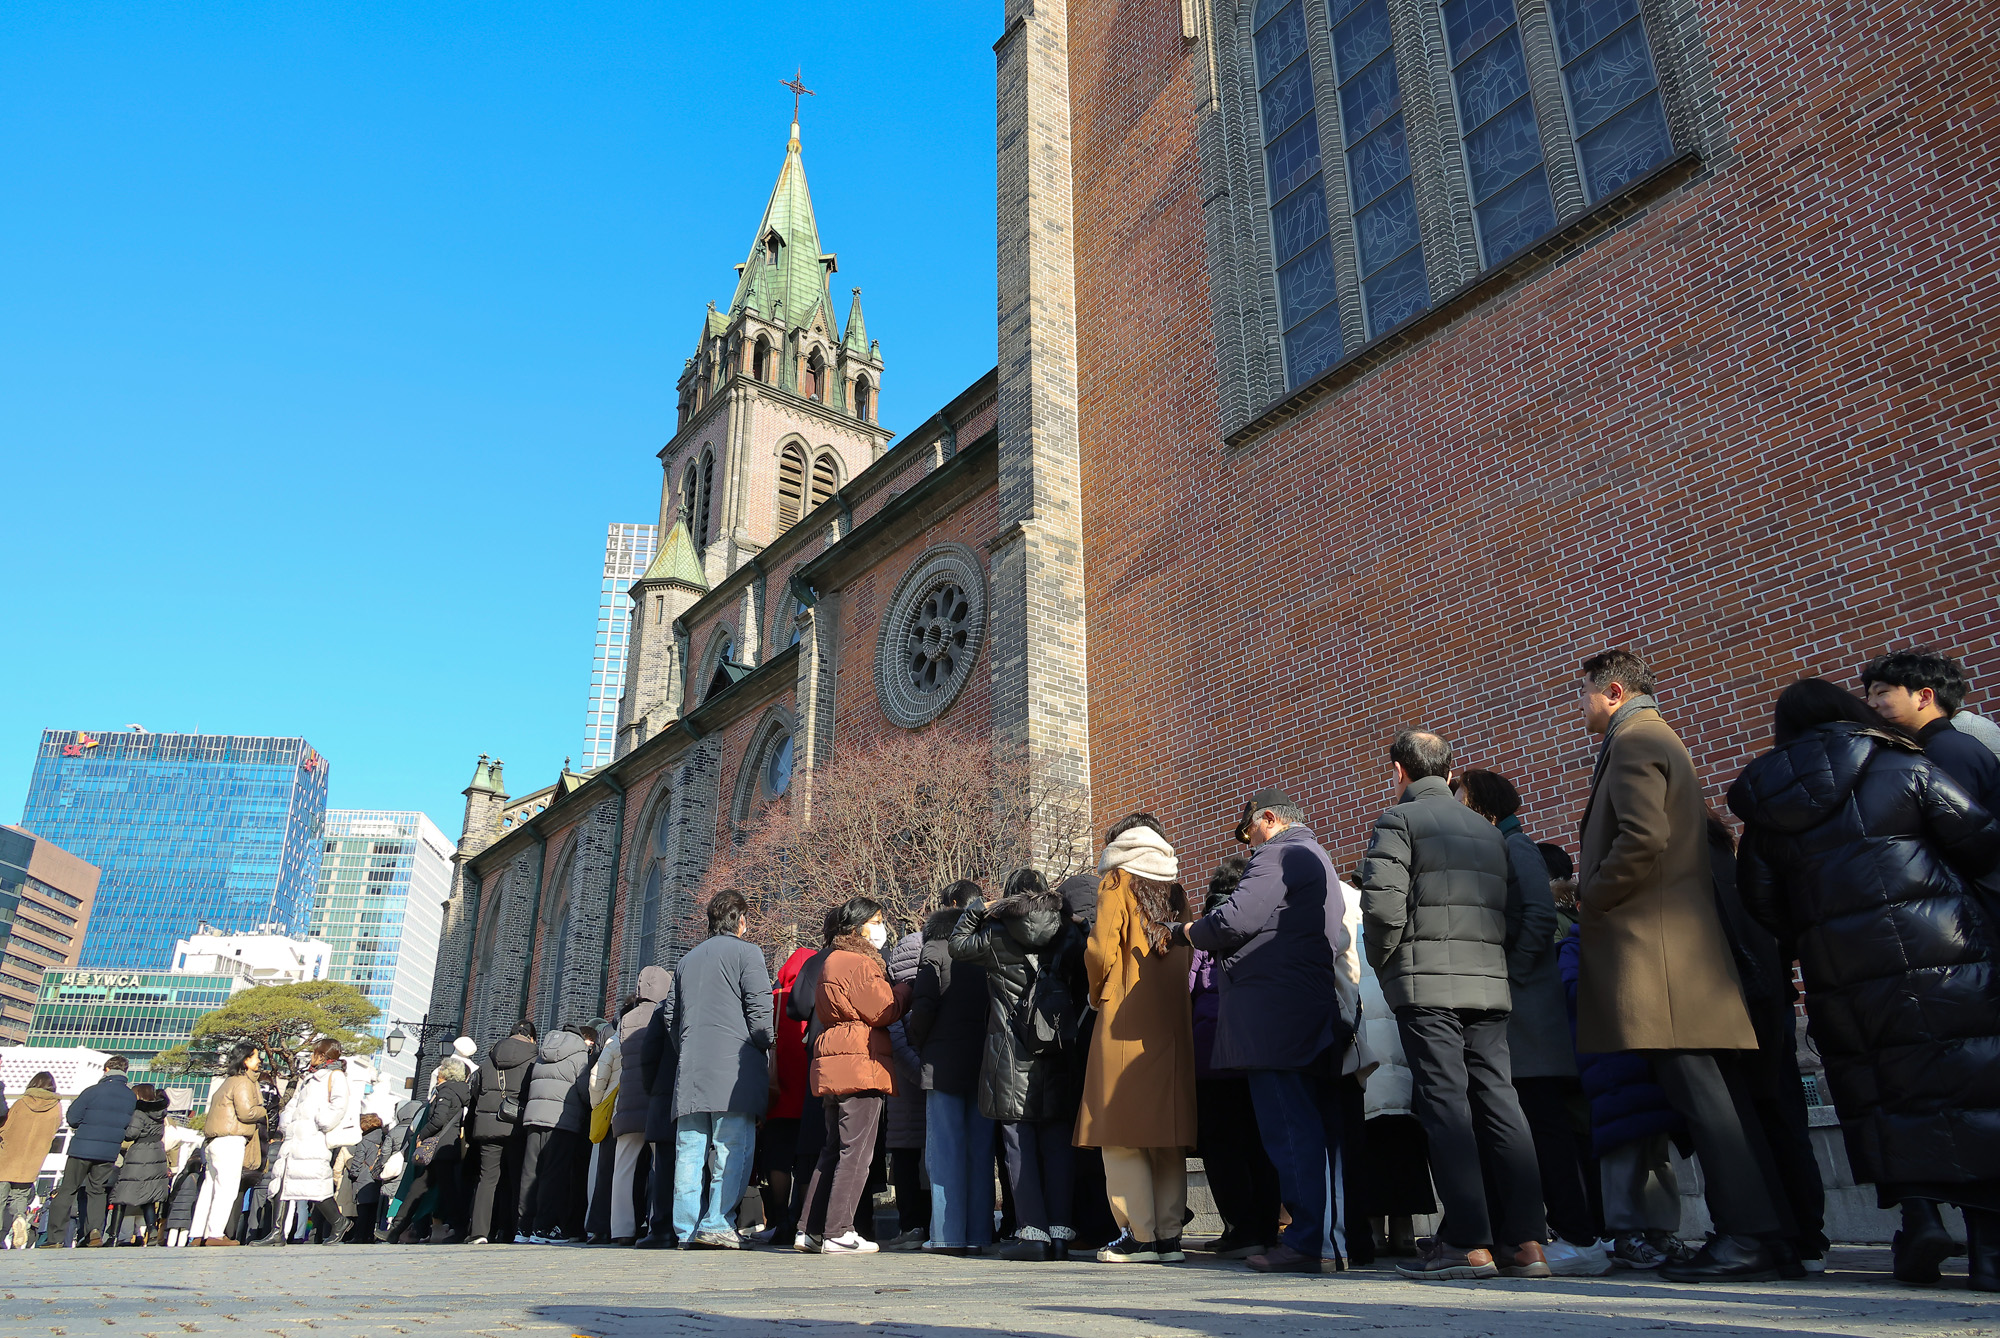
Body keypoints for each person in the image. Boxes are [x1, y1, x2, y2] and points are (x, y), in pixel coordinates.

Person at [1729, 676, 2000, 1293]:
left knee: (1883, 1090)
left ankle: (1919, 1216)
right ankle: (1988, 1249)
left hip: (1841, 968)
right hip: (1946, 950)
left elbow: (1762, 901)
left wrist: (1815, 931)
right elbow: (1980, 837)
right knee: (1969, 1083)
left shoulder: (1771, 799)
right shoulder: (1901, 762)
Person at [1575, 649, 1780, 1283]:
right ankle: (1755, 1233)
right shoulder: (1652, 736)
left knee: (1704, 1102)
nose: (1579, 706)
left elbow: (1642, 837)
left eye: (1584, 693)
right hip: (1673, 951)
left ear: (1612, 691)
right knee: (1710, 1101)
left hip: (1659, 955)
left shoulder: (1635, 739)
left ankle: (1747, 1236)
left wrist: (1592, 894)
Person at [1357, 736, 1545, 1282]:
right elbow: (1514, 909)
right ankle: (1526, 1240)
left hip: (1426, 986)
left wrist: (1385, 963)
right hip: (1487, 985)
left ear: (1399, 770)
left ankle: (1467, 1238)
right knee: (1500, 1103)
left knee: (1445, 1106)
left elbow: (1383, 905)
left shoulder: (1399, 819)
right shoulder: (1489, 831)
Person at [1174, 789, 1346, 1273]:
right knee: (1316, 1130)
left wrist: (1187, 931)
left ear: (1268, 818)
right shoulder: (1320, 858)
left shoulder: (1278, 854)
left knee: (1289, 1128)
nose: (1248, 843)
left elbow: (1233, 920)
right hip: (1307, 1008)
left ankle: (1307, 1243)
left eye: (1249, 830)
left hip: (1274, 1017)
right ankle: (1329, 1242)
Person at [1455, 767, 1607, 1276]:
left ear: (1484, 808)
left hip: (1530, 1017)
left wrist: (1509, 975)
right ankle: (1542, 1234)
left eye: (1461, 800)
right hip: (1523, 1016)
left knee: (1545, 1129)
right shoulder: (1503, 845)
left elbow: (1540, 918)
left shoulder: (1514, 846)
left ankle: (1578, 1236)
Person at [1707, 811, 1827, 1272]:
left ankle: (1777, 1235)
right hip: (1769, 998)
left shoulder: (1696, 862)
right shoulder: (1731, 855)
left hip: (1736, 1001)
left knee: (1751, 1123)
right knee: (1785, 1119)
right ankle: (1808, 1236)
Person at [1073, 815, 1196, 1264]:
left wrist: (1096, 992)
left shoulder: (1116, 880)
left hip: (1123, 1012)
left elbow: (1100, 949)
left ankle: (1138, 1235)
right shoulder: (1177, 890)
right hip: (1170, 1016)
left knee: (1119, 1129)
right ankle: (1168, 1237)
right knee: (1166, 1131)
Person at [950, 867, 1084, 1261]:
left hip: (1010, 1053)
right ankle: (1060, 1233)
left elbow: (957, 944)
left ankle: (1033, 1234)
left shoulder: (995, 935)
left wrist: (978, 907)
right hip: (1058, 1048)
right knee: (1058, 1143)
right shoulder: (1067, 933)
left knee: (1018, 1144)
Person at [1557, 918, 1684, 1268]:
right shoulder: (1576, 946)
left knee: (1657, 1157)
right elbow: (1572, 989)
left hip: (1646, 1061)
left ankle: (1662, 1231)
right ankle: (1625, 1233)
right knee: (1622, 1155)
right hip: (1610, 1064)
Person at [797, 897, 913, 1255]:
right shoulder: (859, 962)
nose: (881, 927)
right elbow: (883, 1009)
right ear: (859, 925)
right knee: (856, 1151)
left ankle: (810, 1229)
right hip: (860, 1060)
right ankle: (839, 1230)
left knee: (832, 1149)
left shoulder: (832, 960)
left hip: (835, 1057)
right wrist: (907, 988)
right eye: (877, 920)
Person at [671, 889, 774, 1249]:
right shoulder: (748, 953)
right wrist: (764, 1048)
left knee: (689, 1150)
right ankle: (716, 1221)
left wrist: (685, 1049)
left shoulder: (686, 961)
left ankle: (685, 1229)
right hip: (734, 1067)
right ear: (741, 920)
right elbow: (761, 1011)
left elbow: (673, 1018)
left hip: (691, 1068)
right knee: (731, 1147)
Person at [908, 880, 994, 1257]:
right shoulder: (987, 951)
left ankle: (947, 1233)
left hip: (942, 1063)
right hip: (984, 1062)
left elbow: (923, 1004)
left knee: (944, 1150)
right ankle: (980, 1232)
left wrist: (918, 1040)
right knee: (980, 1151)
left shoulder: (935, 948)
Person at [1861, 647, 2000, 812]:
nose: (1871, 704)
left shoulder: (1948, 749)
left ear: (1924, 697)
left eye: (1881, 692)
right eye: (1868, 696)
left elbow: (1954, 824)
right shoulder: (1938, 746)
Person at [602, 968, 671, 1246]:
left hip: (627, 1103)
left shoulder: (625, 1019)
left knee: (624, 1168)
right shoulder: (665, 1014)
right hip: (654, 1099)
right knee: (660, 1166)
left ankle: (621, 1228)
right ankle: (657, 1221)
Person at [260, 1038, 351, 1245]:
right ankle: (277, 1232)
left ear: (322, 1054)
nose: (311, 1056)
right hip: (295, 1137)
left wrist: (321, 1122)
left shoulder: (335, 1076)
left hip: (313, 1138)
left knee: (315, 1185)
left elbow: (340, 1104)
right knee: (281, 1183)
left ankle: (338, 1222)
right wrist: (287, 1122)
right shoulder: (308, 1078)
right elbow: (293, 1103)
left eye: (314, 1052)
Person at [42, 1054, 137, 1247]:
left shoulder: (93, 1091)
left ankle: (55, 1238)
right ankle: (94, 1230)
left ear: (106, 1070)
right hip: (108, 1151)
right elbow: (130, 1129)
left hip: (82, 1148)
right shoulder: (130, 1096)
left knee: (68, 1190)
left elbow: (73, 1118)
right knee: (98, 1191)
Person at [760, 942, 816, 1247]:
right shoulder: (812, 996)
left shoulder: (773, 999)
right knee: (806, 1159)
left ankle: (780, 1219)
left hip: (778, 1092)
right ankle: (801, 1222)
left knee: (778, 1159)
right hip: (808, 1092)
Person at [516, 1025, 593, 1244]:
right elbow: (584, 1091)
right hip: (562, 1121)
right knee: (554, 1174)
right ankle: (544, 1227)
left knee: (530, 1172)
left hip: (533, 1118)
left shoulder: (542, 1054)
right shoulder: (579, 1056)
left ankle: (523, 1227)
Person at [387, 1056, 473, 1243]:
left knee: (443, 1190)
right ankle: (396, 1228)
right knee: (421, 1187)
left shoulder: (447, 1091)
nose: (438, 1072)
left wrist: (422, 1135)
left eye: (441, 1069)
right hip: (445, 1149)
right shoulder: (459, 1092)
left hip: (439, 1149)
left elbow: (439, 1119)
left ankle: (459, 1228)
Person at [465, 1019, 535, 1245]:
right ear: (532, 1038)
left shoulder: (488, 1059)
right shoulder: (533, 1057)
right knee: (516, 1178)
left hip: (487, 1123)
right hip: (516, 1122)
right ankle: (512, 1229)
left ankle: (479, 1232)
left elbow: (474, 1089)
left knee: (488, 1178)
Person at [882, 919, 930, 1250]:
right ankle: (919, 1225)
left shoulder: (893, 993)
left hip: (903, 1095)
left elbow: (895, 1043)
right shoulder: (922, 992)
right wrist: (928, 1077)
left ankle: (911, 1226)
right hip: (928, 1089)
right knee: (922, 1162)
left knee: (906, 1160)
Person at [190, 1043, 267, 1246]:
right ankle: (215, 1234)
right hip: (231, 1140)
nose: (259, 1061)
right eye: (256, 1057)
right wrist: (263, 1110)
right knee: (227, 1189)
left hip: (214, 1141)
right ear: (246, 1060)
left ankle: (198, 1234)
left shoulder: (228, 1081)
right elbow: (246, 1112)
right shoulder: (243, 1082)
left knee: (209, 1188)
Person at [635, 977, 680, 1250]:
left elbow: (648, 1054)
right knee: (697, 1163)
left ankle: (662, 1227)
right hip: (696, 1095)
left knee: (664, 1166)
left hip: (665, 1096)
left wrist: (653, 1089)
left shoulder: (663, 1010)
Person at [108, 1084, 173, 1245]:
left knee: (122, 1195)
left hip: (140, 1152)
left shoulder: (139, 1112)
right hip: (157, 1151)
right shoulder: (160, 1113)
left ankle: (113, 1236)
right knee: (149, 1195)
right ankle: (151, 1230)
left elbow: (131, 1134)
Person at [0, 1072, 61, 1243]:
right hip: (32, 1161)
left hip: (8, 1156)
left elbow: (6, 1126)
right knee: (19, 1195)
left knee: (1, 1196)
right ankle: (19, 1217)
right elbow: (54, 1132)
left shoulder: (22, 1103)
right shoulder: (56, 1107)